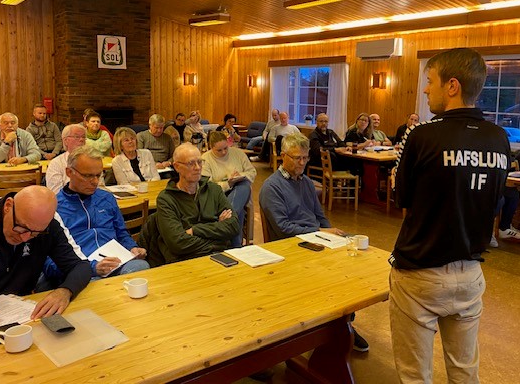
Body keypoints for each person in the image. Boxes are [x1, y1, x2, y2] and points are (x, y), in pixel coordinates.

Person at [391, 48, 509, 382]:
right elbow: (494, 203)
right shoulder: (499, 138)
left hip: (420, 272)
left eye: (430, 82)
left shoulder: (422, 135)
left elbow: (404, 199)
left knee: (415, 375)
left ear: (452, 86)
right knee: (464, 371)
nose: (426, 90)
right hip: (470, 273)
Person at [259, 133, 369, 352]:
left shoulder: (307, 182)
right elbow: (283, 229)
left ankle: (343, 322)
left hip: (314, 237)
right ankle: (335, 326)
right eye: (297, 158)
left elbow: (320, 216)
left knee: (353, 260)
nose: (302, 163)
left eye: (305, 158)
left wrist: (330, 234)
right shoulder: (272, 187)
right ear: (283, 157)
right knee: (334, 270)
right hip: (290, 245)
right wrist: (320, 231)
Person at [0, 185, 91, 328]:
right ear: (8, 206)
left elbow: (80, 266)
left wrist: (65, 291)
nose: (25, 238)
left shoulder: (48, 222)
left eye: (35, 233)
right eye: (21, 228)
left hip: (22, 316)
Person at [53, 146, 149, 279]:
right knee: (88, 282)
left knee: (141, 267)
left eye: (98, 175)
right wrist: (92, 268)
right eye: (87, 176)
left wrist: (132, 248)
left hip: (118, 262)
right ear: (69, 172)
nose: (95, 182)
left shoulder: (107, 198)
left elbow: (122, 234)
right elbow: (49, 261)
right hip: (82, 268)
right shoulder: (55, 207)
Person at [140, 143, 239, 266]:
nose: (197, 167)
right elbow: (178, 244)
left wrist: (195, 230)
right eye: (191, 163)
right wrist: (218, 236)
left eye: (200, 162)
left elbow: (234, 226)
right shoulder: (166, 199)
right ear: (177, 167)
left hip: (218, 257)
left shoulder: (214, 190)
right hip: (184, 261)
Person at [202, 132, 256, 247]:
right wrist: (228, 183)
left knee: (244, 185)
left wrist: (240, 175)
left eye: (226, 148)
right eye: (219, 150)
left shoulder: (238, 153)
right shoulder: (205, 159)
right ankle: (236, 246)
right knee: (238, 211)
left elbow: (252, 172)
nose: (224, 152)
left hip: (240, 190)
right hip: (219, 196)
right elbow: (208, 187)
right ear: (211, 148)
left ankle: (229, 234)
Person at [45, 124, 88, 194]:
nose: (81, 140)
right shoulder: (56, 163)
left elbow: (101, 187)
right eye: (77, 137)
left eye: (83, 137)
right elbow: (56, 194)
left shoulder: (91, 161)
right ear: (65, 141)